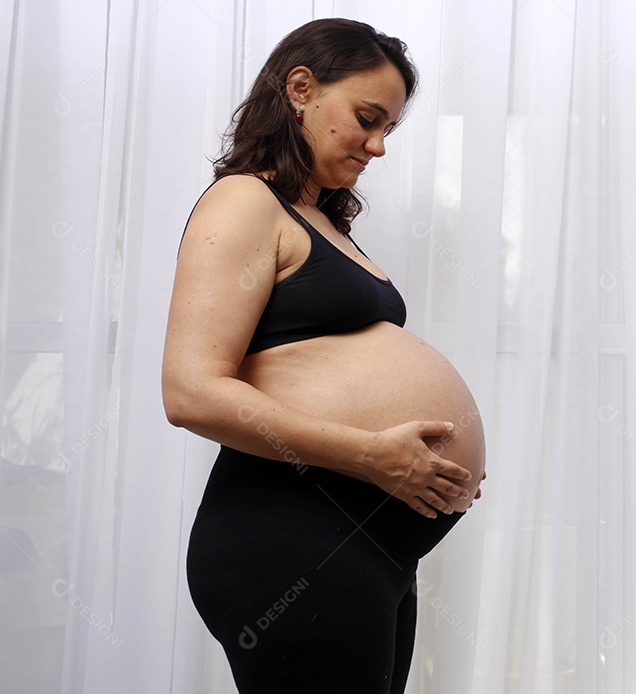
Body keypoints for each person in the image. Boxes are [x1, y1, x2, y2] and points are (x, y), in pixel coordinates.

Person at [161, 19, 486, 693]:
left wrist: (435, 469)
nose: (378, 146)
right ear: (301, 89)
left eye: (388, 128)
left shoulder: (319, 220)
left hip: (372, 548)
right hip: (292, 542)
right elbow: (190, 392)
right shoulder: (244, 200)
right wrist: (373, 454)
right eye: (367, 119)